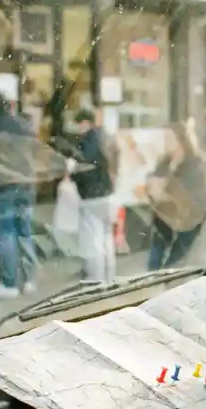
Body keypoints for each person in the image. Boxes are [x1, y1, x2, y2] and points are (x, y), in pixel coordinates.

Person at [0, 87, 38, 298]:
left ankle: (10, 284)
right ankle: (29, 281)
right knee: (25, 233)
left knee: (6, 235)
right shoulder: (23, 125)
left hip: (3, 190)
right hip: (26, 187)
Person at [138, 122, 206, 270]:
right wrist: (152, 189)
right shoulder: (164, 161)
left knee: (175, 266)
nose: (166, 142)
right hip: (164, 220)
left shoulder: (195, 163)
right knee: (153, 265)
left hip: (187, 224)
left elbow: (196, 197)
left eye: (169, 137)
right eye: (164, 138)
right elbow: (155, 186)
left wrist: (167, 185)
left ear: (181, 139)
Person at [69, 108, 119, 281]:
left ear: (85, 123)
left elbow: (83, 167)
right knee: (107, 239)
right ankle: (109, 277)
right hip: (108, 194)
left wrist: (72, 171)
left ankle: (97, 280)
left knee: (94, 241)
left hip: (93, 197)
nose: (78, 129)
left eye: (79, 124)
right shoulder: (105, 138)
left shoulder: (89, 141)